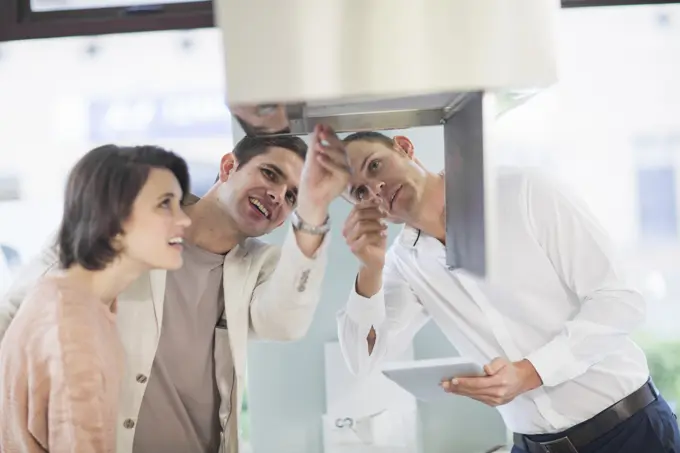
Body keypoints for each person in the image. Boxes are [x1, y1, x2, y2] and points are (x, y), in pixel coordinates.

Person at [0, 124, 350, 453]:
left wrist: (313, 212)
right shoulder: (131, 226)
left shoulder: (260, 266)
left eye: (292, 196)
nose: (277, 196)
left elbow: (285, 323)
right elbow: (17, 312)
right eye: (270, 174)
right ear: (229, 166)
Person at [336, 131, 680, 453]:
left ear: (403, 146)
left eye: (375, 165)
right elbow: (362, 358)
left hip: (632, 433)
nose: (377, 187)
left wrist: (529, 373)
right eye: (360, 192)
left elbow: (620, 300)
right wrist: (371, 268)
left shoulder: (523, 190)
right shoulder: (403, 264)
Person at [0, 144, 191, 453]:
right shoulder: (72, 327)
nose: (185, 220)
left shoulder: (77, 301)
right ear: (112, 221)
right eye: (165, 204)